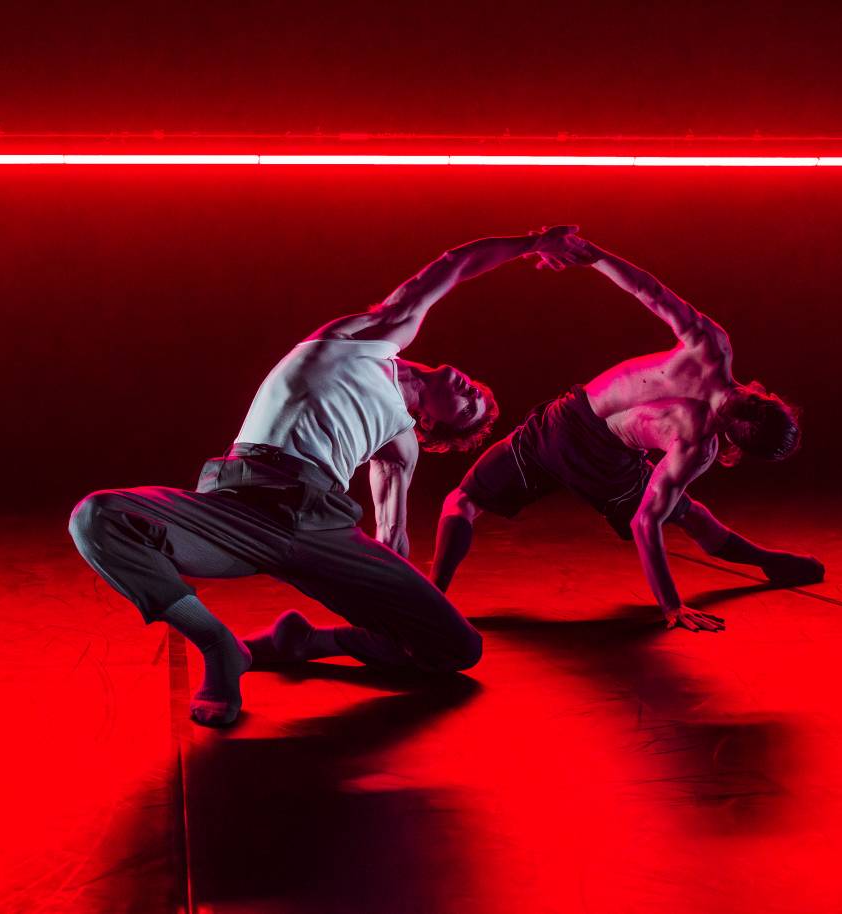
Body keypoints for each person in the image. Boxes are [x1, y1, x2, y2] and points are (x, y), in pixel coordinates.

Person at [69, 226, 577, 726]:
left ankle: (303, 642)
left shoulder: (400, 443)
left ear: (431, 423)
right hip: (239, 508)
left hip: (323, 528)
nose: (471, 390)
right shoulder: (371, 338)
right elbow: (451, 267)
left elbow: (392, 537)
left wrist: (400, 605)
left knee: (457, 647)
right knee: (97, 518)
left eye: (469, 406)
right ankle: (219, 646)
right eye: (477, 391)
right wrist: (532, 243)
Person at [430, 232, 824, 633]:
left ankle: (432, 600)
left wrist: (595, 257)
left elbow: (649, 291)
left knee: (462, 500)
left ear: (763, 397)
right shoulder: (697, 442)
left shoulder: (710, 353)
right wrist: (671, 606)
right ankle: (765, 560)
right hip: (604, 464)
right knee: (690, 513)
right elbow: (645, 523)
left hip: (564, 429)